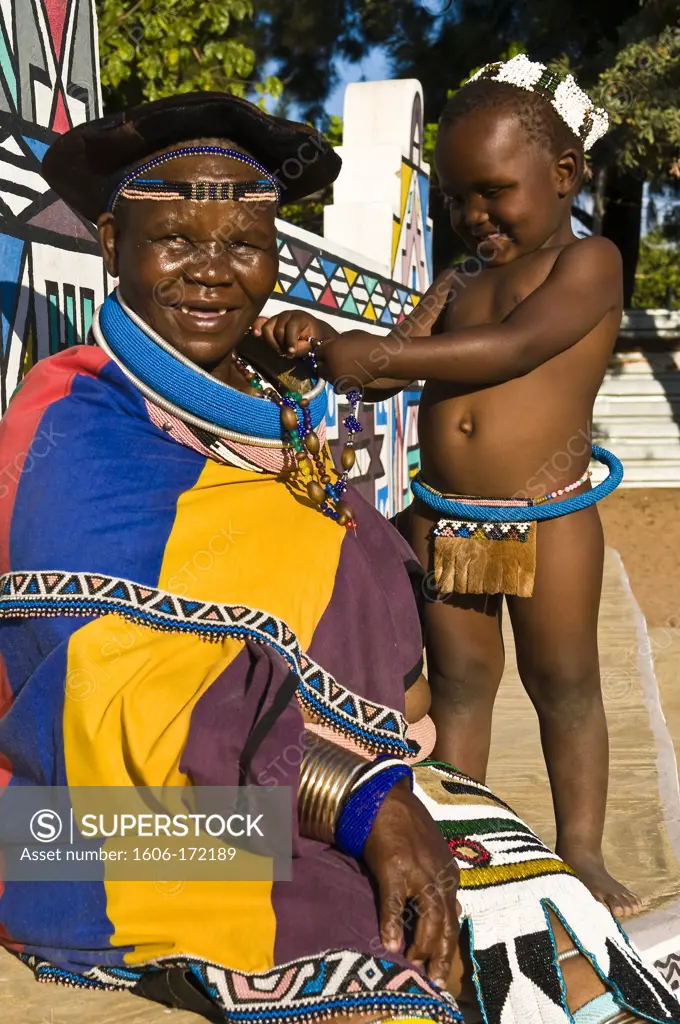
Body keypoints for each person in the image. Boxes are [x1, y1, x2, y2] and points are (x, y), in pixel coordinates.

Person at [0, 92, 675, 1024]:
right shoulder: (75, 426)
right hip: (89, 830)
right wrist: (358, 802)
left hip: (332, 788)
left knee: (535, 915)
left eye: (244, 242)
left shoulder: (271, 419)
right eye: (176, 240)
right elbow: (104, 687)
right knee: (402, 946)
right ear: (112, 243)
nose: (212, 273)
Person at [256, 54, 638, 920]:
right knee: (461, 686)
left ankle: (579, 847)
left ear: (565, 175)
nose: (474, 216)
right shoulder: (460, 280)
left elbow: (511, 350)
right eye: (457, 197)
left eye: (495, 191)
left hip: (548, 518)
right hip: (453, 519)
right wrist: (323, 342)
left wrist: (386, 356)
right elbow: (387, 367)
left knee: (565, 682)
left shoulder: (589, 265)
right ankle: (463, 835)